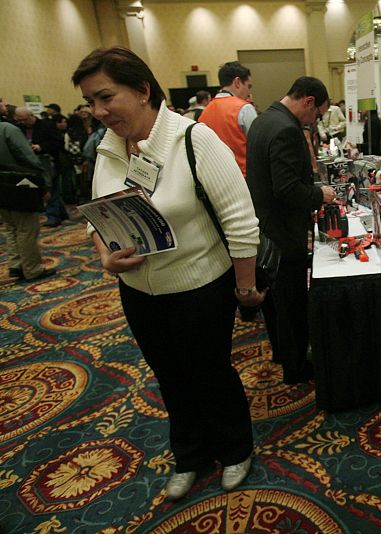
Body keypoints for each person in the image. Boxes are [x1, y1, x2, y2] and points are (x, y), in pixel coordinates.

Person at [72, 46, 262, 501]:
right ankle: (191, 455)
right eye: (90, 103)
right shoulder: (108, 148)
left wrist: (245, 288)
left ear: (141, 90)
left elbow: (239, 219)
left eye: (105, 98)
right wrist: (105, 255)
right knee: (169, 375)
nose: (97, 113)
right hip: (138, 289)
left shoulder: (193, 140)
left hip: (199, 284)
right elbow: (98, 215)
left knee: (209, 371)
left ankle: (235, 449)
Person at [246, 76, 336, 384]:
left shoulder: (263, 120)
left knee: (275, 303)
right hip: (283, 233)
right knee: (292, 304)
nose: (316, 121)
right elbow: (286, 189)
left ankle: (283, 353)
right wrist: (318, 195)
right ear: (308, 102)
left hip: (265, 228)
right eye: (318, 114)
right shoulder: (286, 129)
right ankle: (296, 368)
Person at [0, 121, 54, 281]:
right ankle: (32, 269)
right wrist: (44, 184)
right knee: (26, 228)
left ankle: (16, 266)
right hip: (19, 186)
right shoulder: (8, 129)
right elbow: (29, 158)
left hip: (1, 190)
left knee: (10, 227)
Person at [198, 61, 257, 177]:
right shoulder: (244, 108)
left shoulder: (205, 112)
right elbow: (259, 147)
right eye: (249, 86)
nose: (249, 93)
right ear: (237, 82)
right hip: (244, 176)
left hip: (216, 177)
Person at [13, 106, 67, 226]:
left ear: (32, 116)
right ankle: (61, 213)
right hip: (31, 163)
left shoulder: (47, 125)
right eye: (20, 120)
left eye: (24, 119)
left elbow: (58, 142)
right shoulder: (19, 129)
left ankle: (53, 215)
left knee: (50, 188)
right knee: (50, 189)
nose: (23, 122)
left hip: (49, 161)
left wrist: (41, 147)